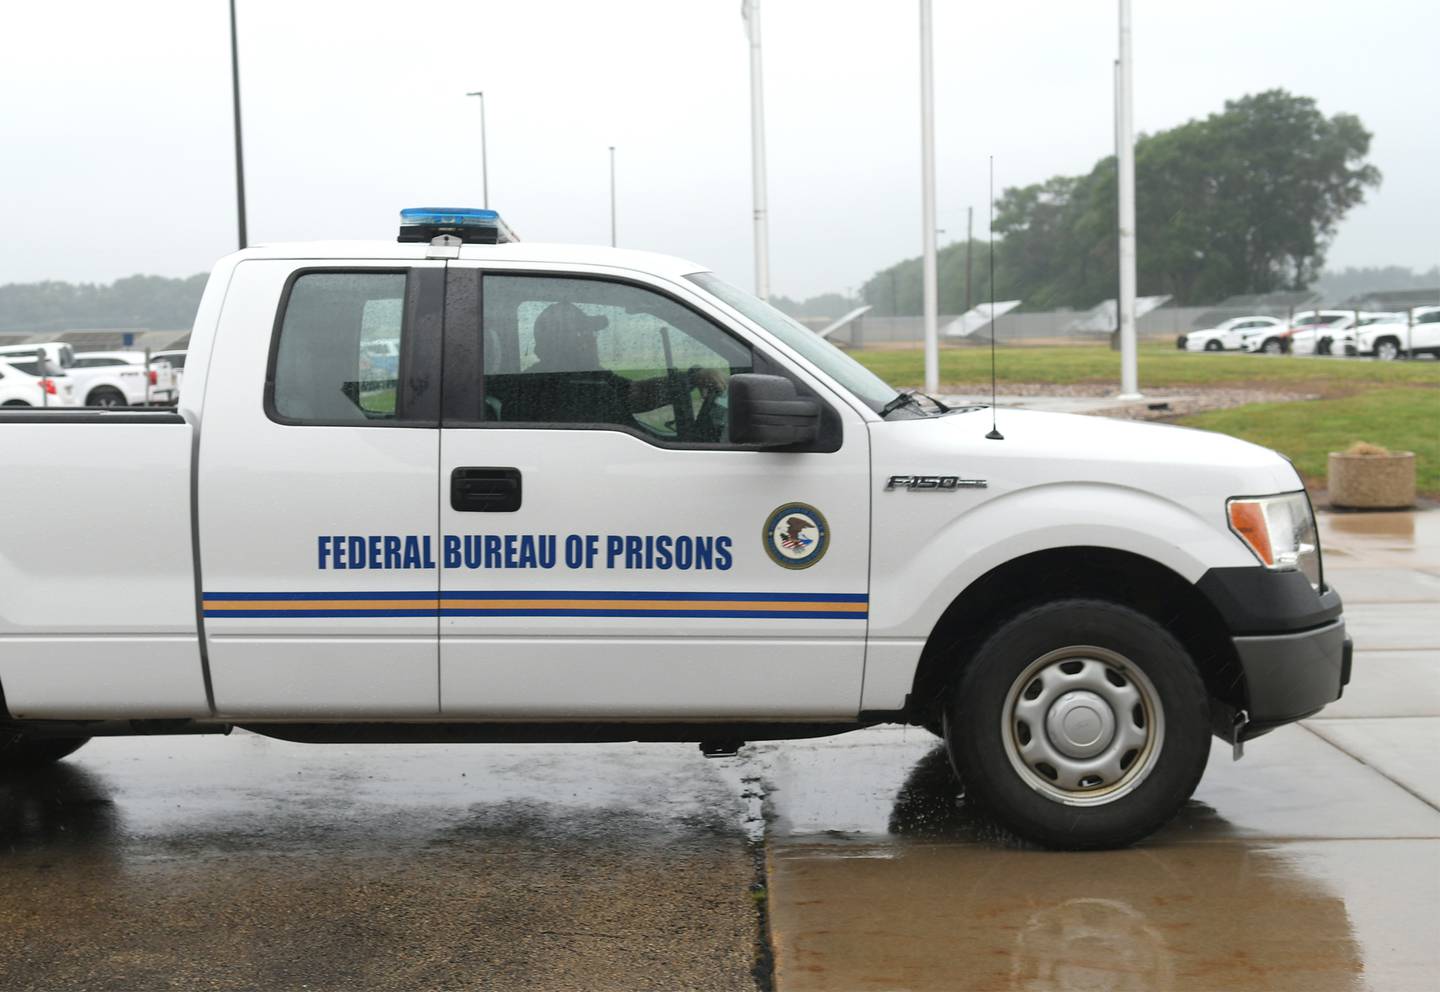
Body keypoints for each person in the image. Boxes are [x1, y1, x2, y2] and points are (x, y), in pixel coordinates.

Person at [525, 301, 725, 428]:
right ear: (560, 342)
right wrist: (690, 380)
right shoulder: (552, 386)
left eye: (590, 332)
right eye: (582, 333)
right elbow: (635, 396)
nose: (591, 340)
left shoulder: (587, 376)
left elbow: (634, 392)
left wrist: (690, 379)